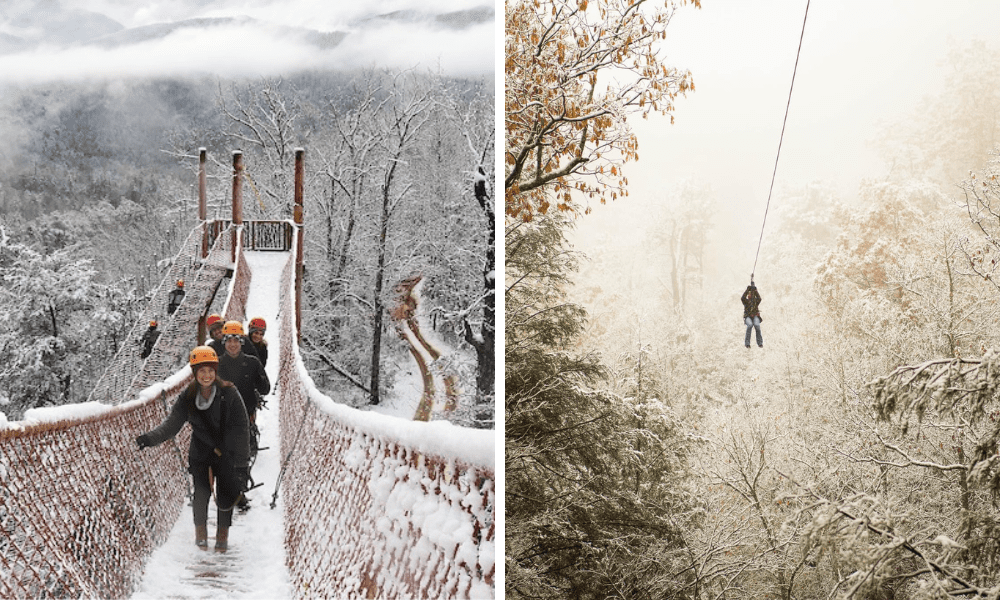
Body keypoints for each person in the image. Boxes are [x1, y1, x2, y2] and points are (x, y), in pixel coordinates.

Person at [135, 346, 250, 552]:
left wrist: (242, 466)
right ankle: (201, 538)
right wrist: (149, 439)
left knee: (226, 494)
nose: (206, 376)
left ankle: (222, 539)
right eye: (201, 371)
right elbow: (172, 425)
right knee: (201, 494)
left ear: (216, 372)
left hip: (228, 452)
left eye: (210, 371)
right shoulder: (187, 397)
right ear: (195, 373)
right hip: (201, 452)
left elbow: (242, 430)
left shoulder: (229, 393)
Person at [218, 321, 270, 425]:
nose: (233, 345)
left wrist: (258, 378)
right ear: (224, 342)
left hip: (246, 417)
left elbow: (265, 389)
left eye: (236, 341)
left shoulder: (253, 363)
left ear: (241, 342)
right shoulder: (215, 365)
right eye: (229, 341)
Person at [742, 281, 763, 348]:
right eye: (748, 294)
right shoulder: (746, 301)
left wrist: (755, 291)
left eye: (750, 294)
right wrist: (747, 289)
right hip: (748, 316)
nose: (749, 295)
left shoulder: (755, 301)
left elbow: (759, 298)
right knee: (750, 325)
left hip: (755, 316)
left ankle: (760, 343)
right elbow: (742, 298)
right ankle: (747, 343)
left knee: (757, 325)